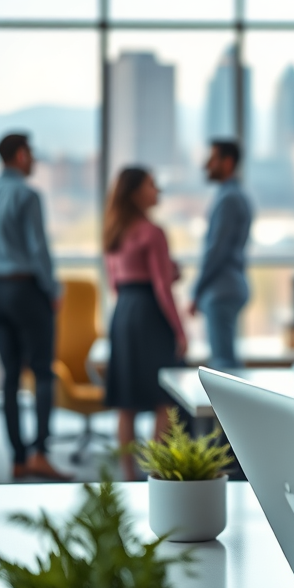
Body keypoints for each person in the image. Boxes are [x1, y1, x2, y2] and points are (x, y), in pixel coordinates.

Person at [0, 133, 69, 481]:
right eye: (31, 153)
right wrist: (53, 289)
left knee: (9, 376)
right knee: (41, 373)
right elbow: (38, 250)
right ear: (21, 155)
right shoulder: (27, 194)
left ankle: (17, 458)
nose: (34, 159)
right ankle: (40, 453)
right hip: (27, 290)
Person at [104, 167, 185, 481]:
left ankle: (128, 477)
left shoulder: (113, 231)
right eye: (152, 185)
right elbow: (163, 288)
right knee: (163, 398)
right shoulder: (153, 232)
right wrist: (179, 331)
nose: (157, 192)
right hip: (150, 313)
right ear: (136, 192)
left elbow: (115, 282)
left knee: (126, 403)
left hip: (123, 311)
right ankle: (156, 474)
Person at [188, 139, 253, 370]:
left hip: (221, 291)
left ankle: (240, 407)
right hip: (228, 286)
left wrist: (195, 291)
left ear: (228, 162)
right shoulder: (233, 195)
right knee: (225, 360)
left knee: (224, 365)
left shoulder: (228, 199)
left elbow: (216, 250)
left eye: (212, 159)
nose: (207, 165)